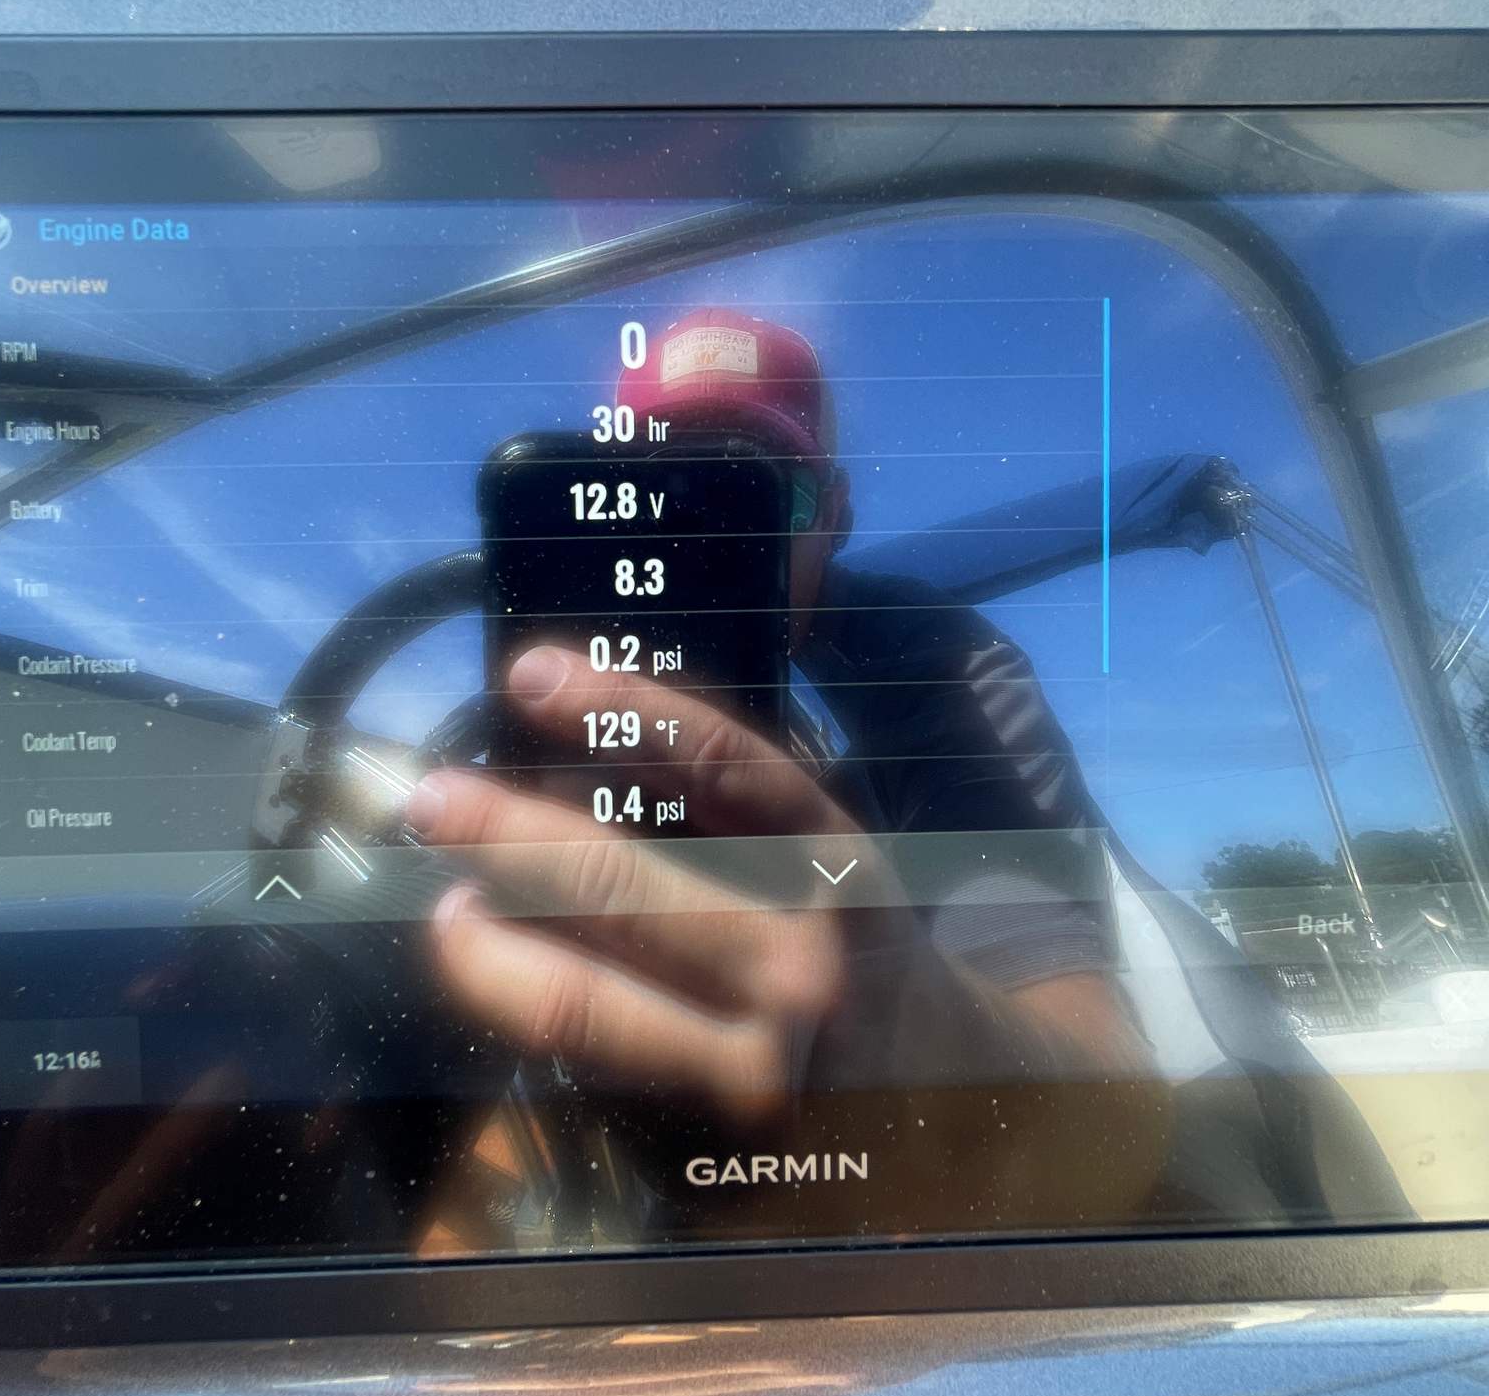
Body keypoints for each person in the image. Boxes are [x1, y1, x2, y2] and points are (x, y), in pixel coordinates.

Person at [408, 307, 1178, 1231]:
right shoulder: (560, 679)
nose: (707, 540)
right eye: (666, 483)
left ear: (837, 515)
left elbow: (1110, 1105)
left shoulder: (933, 671)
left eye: (769, 495)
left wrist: (912, 1053)